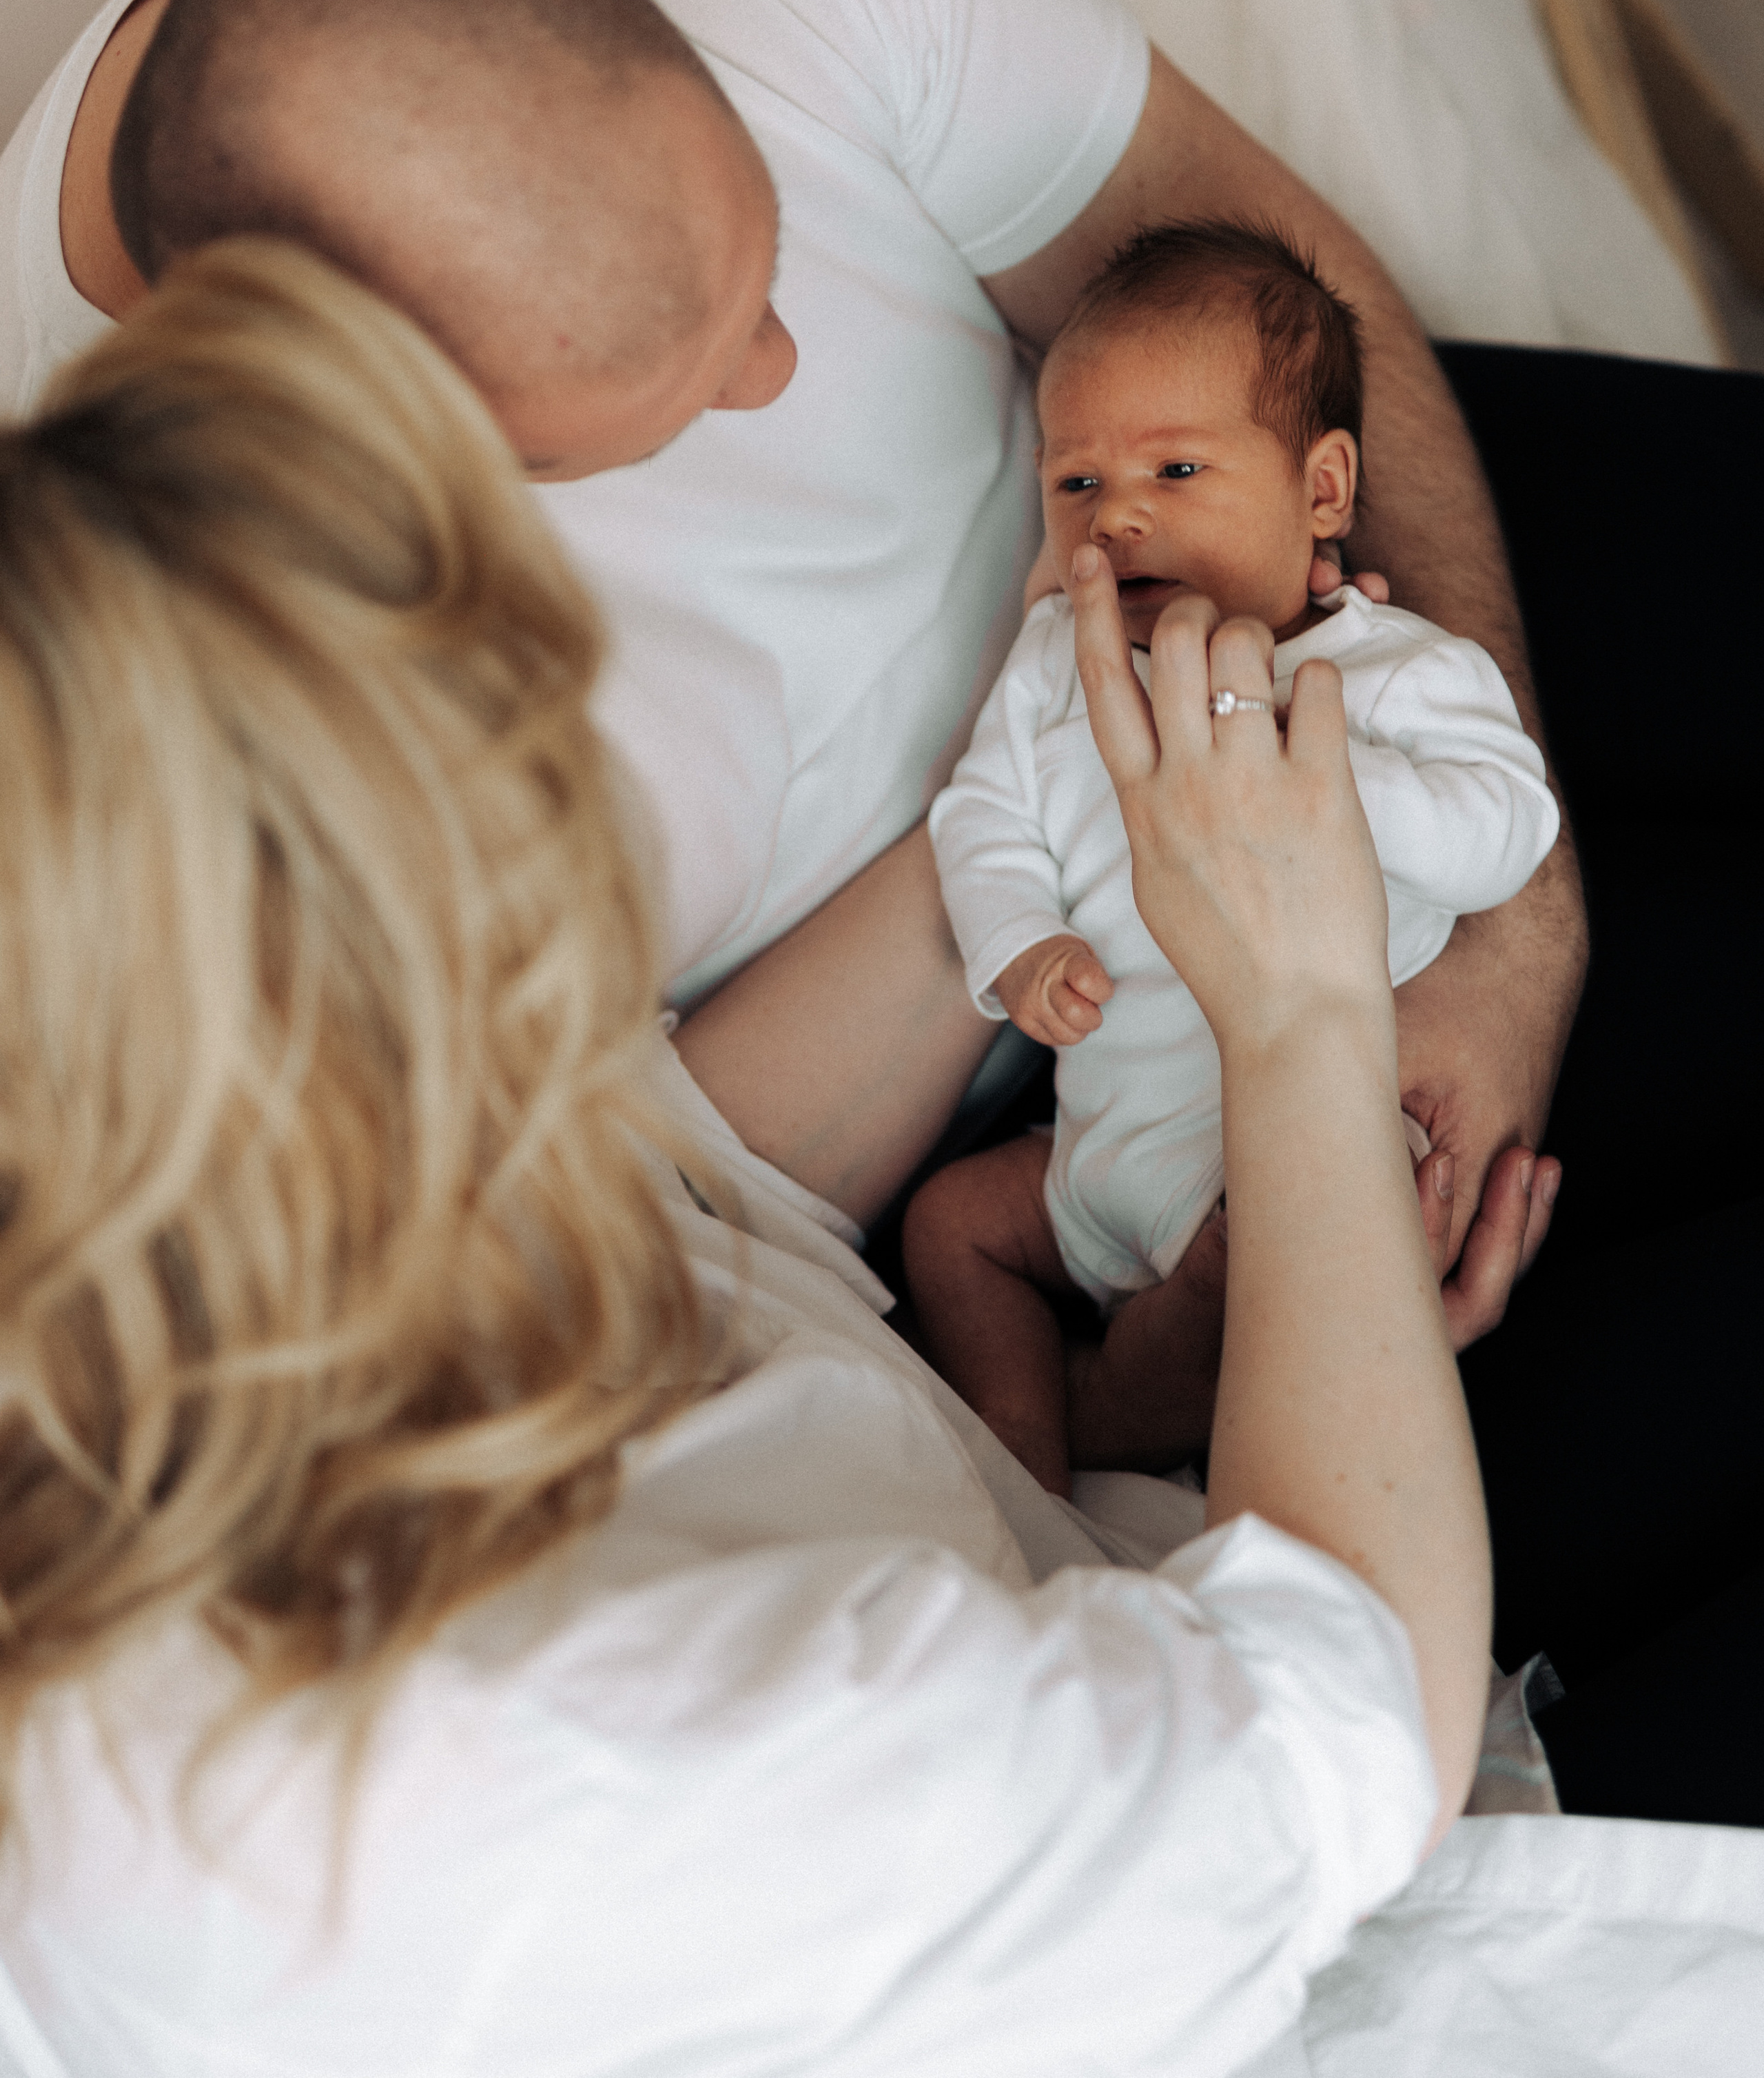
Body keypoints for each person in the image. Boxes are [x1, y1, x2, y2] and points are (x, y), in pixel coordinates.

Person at [0, 239, 1492, 2072]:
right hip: (1401, 1832)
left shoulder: (163, 1232)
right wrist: (1301, 1021)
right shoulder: (494, 1796)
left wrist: (1073, 761)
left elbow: (671, 1183)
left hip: (1133, 1468)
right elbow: (1335, 1731)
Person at [0, 0, 1581, 1302]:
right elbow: (651, 1210)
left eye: (753, 268)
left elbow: (1242, 257)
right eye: (629, 425)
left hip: (1372, 684)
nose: (774, 376)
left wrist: (1513, 954)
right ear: (332, 419)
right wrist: (1057, 793)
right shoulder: (139, 678)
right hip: (998, 1130)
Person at [909, 222, 1557, 1492]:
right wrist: (1018, 943)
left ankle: (1219, 1409)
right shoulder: (1057, 667)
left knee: (1337, 1246)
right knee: (950, 1226)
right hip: (1092, 1165)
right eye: (1077, 484)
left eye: (1178, 468)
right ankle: (1032, 1447)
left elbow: (1509, 828)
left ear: (1321, 490)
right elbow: (979, 812)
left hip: (1268, 1153)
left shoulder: (1392, 676)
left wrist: (1318, 785)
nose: (1122, 515)